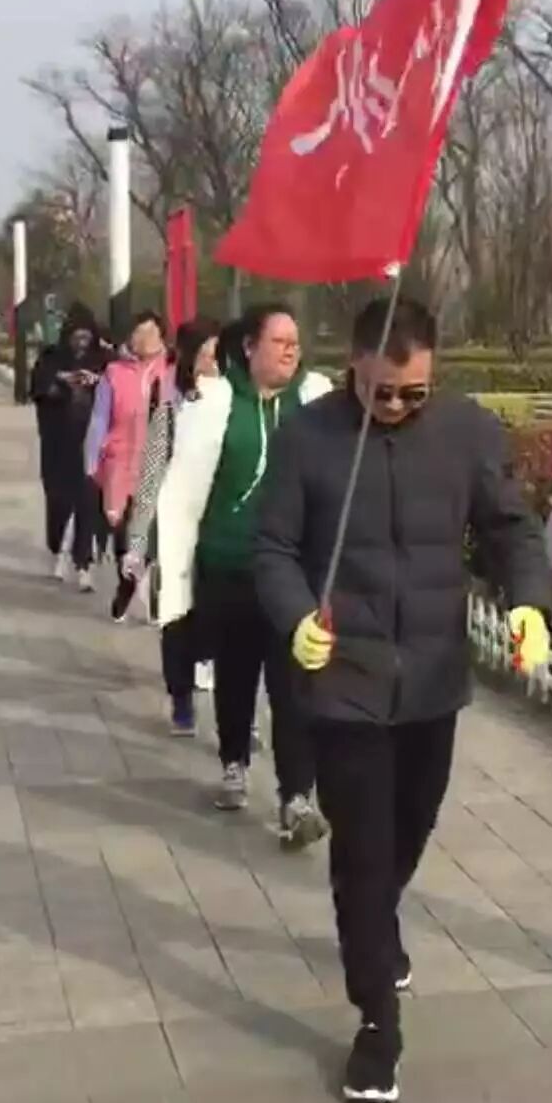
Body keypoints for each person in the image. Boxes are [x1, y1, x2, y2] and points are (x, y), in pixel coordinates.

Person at [254, 295, 551, 1103]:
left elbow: (511, 530)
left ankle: (376, 926)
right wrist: (295, 617)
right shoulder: (309, 437)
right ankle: (377, 1024)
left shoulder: (465, 434)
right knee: (362, 852)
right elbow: (273, 547)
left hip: (429, 679)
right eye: (379, 391)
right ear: (353, 365)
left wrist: (529, 603)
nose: (393, 406)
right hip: (343, 680)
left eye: (411, 393)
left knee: (407, 832)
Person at [160, 303, 332, 834]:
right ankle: (233, 761)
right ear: (251, 347)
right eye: (278, 340)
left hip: (293, 573)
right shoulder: (216, 402)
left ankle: (296, 796)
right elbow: (184, 487)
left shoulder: (315, 401)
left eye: (295, 341)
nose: (290, 349)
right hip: (230, 566)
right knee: (235, 676)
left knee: (293, 686)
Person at [122, 316, 221, 735]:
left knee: (229, 620)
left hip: (222, 532)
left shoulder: (237, 409)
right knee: (178, 617)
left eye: (220, 356)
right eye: (207, 355)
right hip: (178, 533)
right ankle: (181, 695)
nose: (214, 364)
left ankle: (237, 711)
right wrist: (137, 541)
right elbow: (150, 480)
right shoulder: (171, 412)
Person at [84, 309, 172, 615]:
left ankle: (153, 590)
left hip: (158, 464)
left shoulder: (172, 371)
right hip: (119, 465)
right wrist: (92, 461)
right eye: (138, 333)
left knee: (152, 530)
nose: (143, 339)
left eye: (150, 333)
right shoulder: (114, 373)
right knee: (122, 533)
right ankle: (127, 583)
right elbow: (99, 419)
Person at [30, 303, 107, 590]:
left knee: (88, 503)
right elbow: (38, 388)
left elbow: (119, 390)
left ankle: (83, 561)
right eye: (77, 336)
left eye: (87, 336)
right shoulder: (51, 358)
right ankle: (58, 548)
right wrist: (62, 380)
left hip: (92, 445)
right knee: (59, 500)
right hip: (58, 443)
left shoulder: (105, 360)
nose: (82, 342)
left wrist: (97, 381)